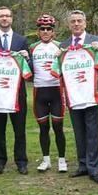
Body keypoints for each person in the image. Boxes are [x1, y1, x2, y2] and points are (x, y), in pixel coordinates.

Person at [57, 9, 98, 184]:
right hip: (73, 95)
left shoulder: (96, 41)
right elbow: (58, 71)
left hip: (91, 94)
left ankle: (94, 168)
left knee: (92, 131)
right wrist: (58, 58)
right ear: (69, 25)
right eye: (73, 21)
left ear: (85, 23)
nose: (76, 24)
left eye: (79, 21)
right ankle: (83, 165)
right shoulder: (62, 46)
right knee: (78, 131)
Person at [0, 6, 31, 175]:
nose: (4, 19)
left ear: (12, 19)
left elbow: (29, 72)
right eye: (1, 16)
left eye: (7, 16)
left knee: (20, 130)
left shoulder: (21, 40)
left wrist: (27, 58)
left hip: (17, 94)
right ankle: (0, 161)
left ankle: (21, 161)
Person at [28, 14, 67, 173]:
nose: (45, 31)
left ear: (53, 32)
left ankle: (62, 160)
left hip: (56, 91)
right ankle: (46, 160)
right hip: (39, 91)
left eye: (48, 29)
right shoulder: (32, 48)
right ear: (38, 31)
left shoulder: (61, 46)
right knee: (43, 128)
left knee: (58, 127)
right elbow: (28, 70)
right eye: (42, 29)